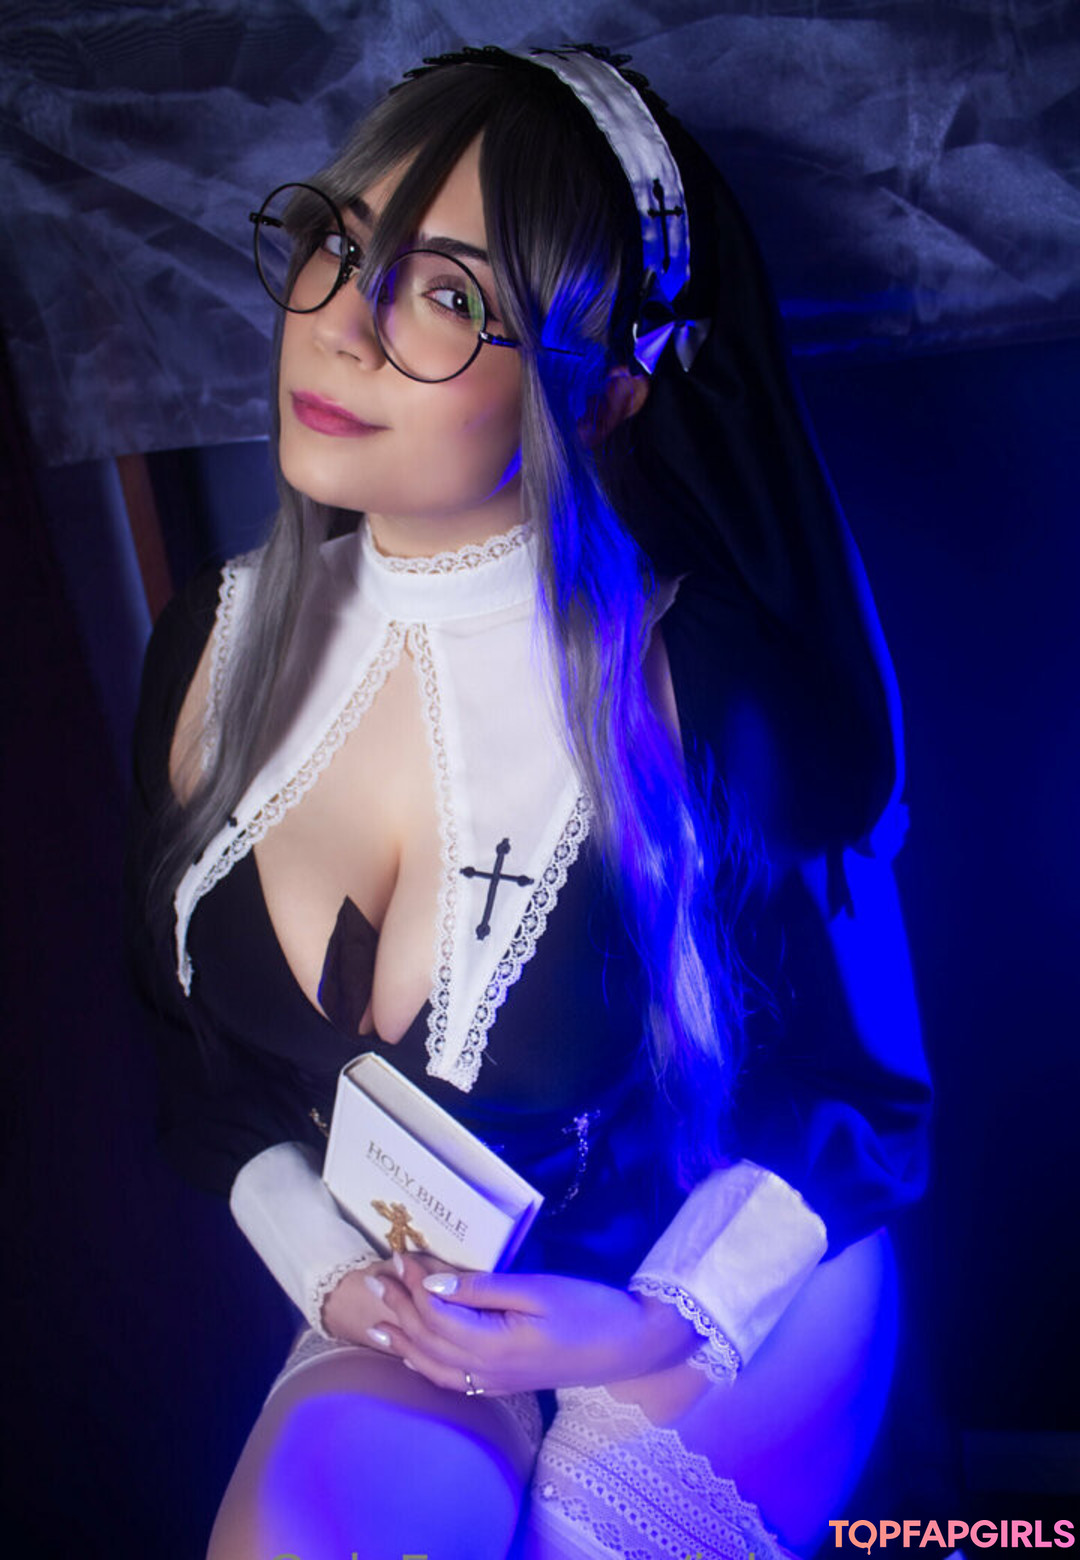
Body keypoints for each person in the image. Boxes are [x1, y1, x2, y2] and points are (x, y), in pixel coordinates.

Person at [126, 43, 931, 1560]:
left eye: (445, 295)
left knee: (583, 1530)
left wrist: (651, 1321)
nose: (341, 323)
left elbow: (865, 1106)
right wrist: (330, 1274)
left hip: (726, 1272)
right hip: (426, 1293)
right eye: (339, 246)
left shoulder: (704, 686)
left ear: (608, 388)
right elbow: (196, 1068)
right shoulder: (209, 650)